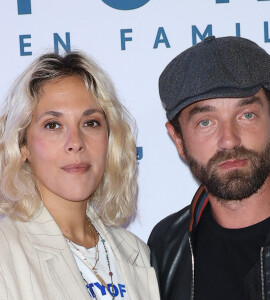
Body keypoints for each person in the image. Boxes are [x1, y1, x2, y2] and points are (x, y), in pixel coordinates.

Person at [148, 36, 270, 300]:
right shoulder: (165, 249)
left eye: (247, 115)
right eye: (206, 122)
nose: (229, 140)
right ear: (178, 139)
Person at [0, 51, 160, 300]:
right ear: (23, 146)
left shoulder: (136, 252)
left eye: (90, 123)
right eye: (53, 125)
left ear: (110, 139)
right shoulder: (5, 254)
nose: (75, 143)